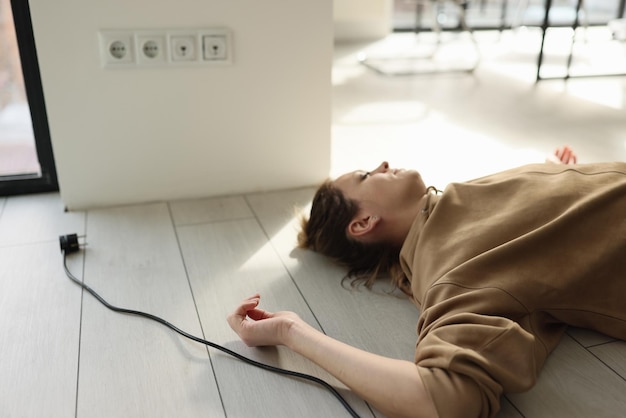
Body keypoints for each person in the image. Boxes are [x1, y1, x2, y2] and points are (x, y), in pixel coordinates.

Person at [227, 145, 626, 418]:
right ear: (364, 223)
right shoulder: (451, 270)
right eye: (367, 175)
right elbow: (439, 397)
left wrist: (557, 177)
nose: (383, 163)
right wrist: (291, 331)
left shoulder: (450, 204)